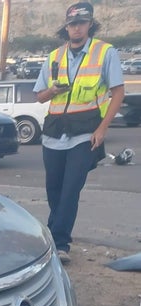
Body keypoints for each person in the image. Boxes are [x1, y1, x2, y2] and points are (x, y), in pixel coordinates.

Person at [34, 2, 124, 264]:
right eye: (72, 24)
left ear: (90, 25)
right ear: (66, 27)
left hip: (85, 131)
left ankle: (60, 244)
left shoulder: (105, 52)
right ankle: (54, 236)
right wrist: (52, 91)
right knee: (54, 189)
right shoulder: (54, 56)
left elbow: (118, 92)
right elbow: (40, 96)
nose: (76, 28)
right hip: (54, 132)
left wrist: (102, 128)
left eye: (81, 23)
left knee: (71, 189)